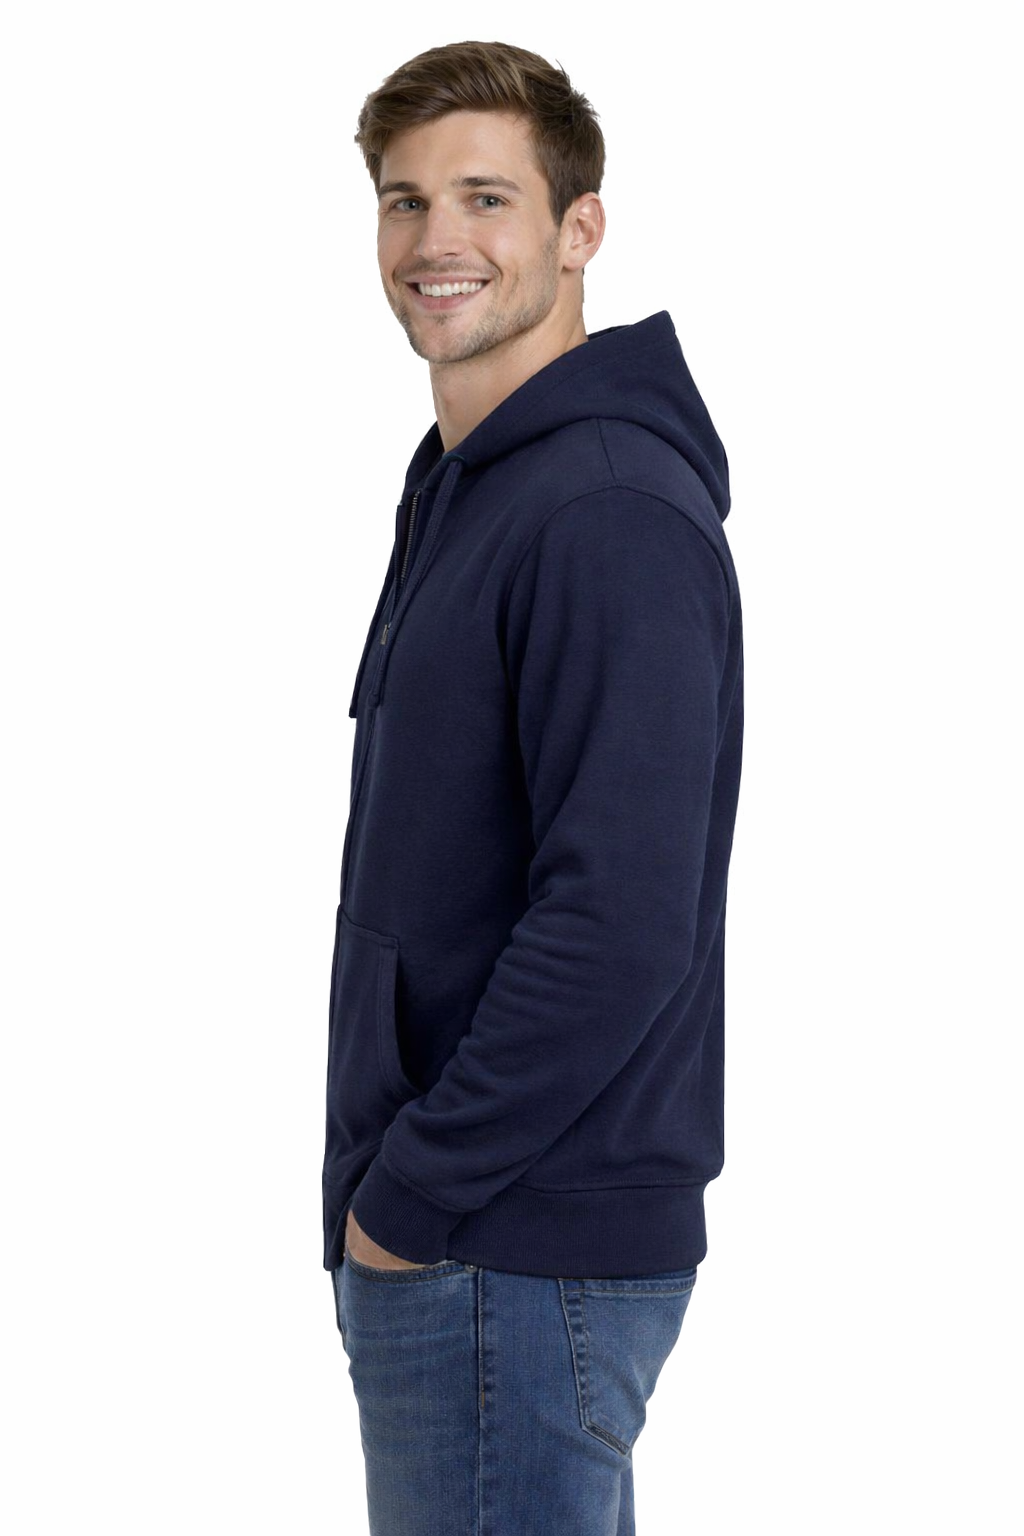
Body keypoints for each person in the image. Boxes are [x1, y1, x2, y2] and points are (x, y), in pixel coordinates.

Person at [323, 39, 744, 1535]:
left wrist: (407, 1202)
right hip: (476, 1239)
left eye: (486, 198)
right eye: (406, 200)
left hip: (508, 1246)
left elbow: (618, 924)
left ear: (580, 229)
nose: (436, 239)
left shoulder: (605, 513)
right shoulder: (478, 487)